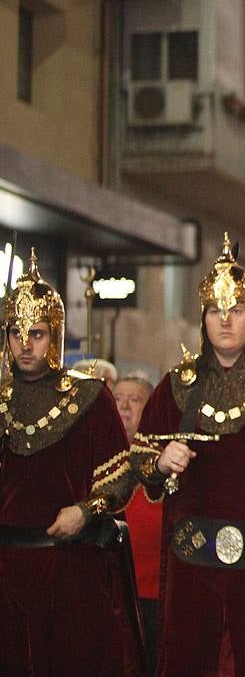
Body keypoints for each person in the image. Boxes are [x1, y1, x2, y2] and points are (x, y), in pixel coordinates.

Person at [130, 235, 245, 676]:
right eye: (215, 310)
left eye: (236, 310)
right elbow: (136, 457)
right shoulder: (177, 385)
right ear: (203, 316)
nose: (225, 321)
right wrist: (158, 461)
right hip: (193, 571)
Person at [0, 252, 140, 675]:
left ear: (55, 335)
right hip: (4, 568)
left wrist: (87, 510)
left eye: (37, 333)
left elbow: (122, 473)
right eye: (16, 332)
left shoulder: (90, 397)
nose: (26, 343)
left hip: (70, 568)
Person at [114, 372, 164, 671]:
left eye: (135, 400)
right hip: (111, 594)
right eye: (117, 399)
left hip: (153, 596)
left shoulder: (163, 462)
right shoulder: (96, 459)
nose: (124, 408)